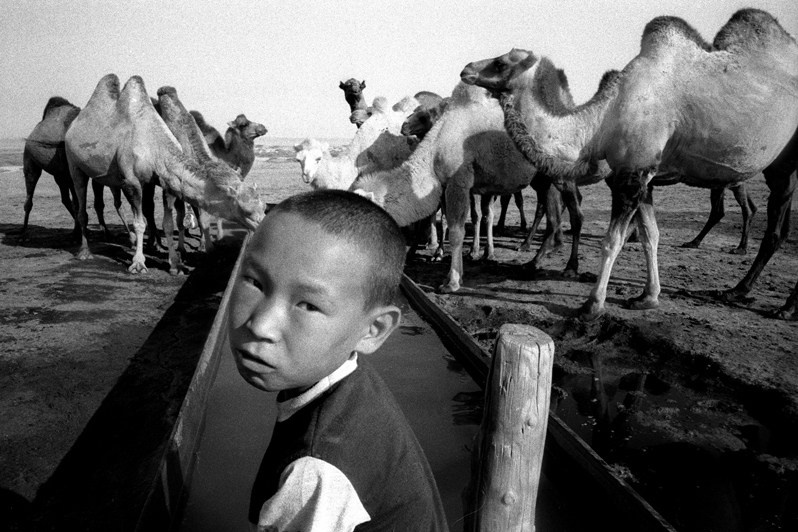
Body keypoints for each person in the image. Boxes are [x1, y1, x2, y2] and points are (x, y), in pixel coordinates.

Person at [228, 189, 449, 532]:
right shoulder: (351, 384)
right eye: (255, 282)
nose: (261, 325)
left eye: (308, 305)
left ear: (373, 330)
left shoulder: (314, 476)